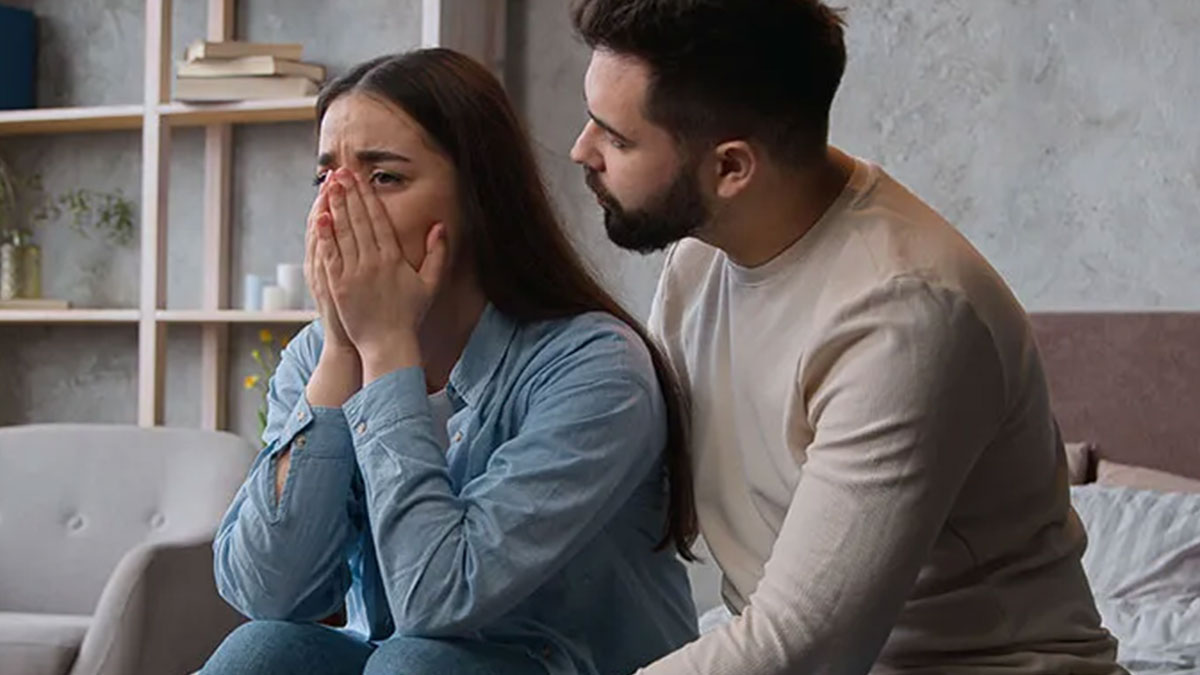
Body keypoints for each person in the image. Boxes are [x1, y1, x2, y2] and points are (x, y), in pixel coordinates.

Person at [569, 1, 1125, 673]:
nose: (581, 151)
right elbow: (637, 491)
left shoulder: (907, 313)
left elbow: (804, 644)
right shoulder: (700, 258)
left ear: (731, 168)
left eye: (616, 138)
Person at [201, 48, 698, 675]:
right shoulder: (316, 354)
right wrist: (340, 356)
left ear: (476, 199)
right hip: (405, 659)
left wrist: (386, 353)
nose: (336, 210)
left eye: (384, 178)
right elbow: (268, 592)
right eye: (326, 177)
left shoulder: (594, 367)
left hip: (568, 665)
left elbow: (435, 599)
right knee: (264, 650)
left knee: (417, 664)